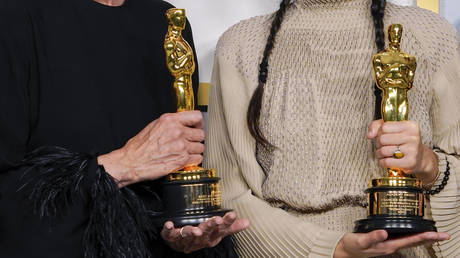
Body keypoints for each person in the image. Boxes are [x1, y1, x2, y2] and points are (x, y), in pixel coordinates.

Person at [204, 0, 460, 257]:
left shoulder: (430, 34)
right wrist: (331, 248)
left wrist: (430, 166)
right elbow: (228, 194)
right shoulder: (240, 46)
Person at [0, 0, 248, 257]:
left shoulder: (167, 21)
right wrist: (124, 164)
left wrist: (180, 232)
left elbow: (167, 186)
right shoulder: (14, 18)